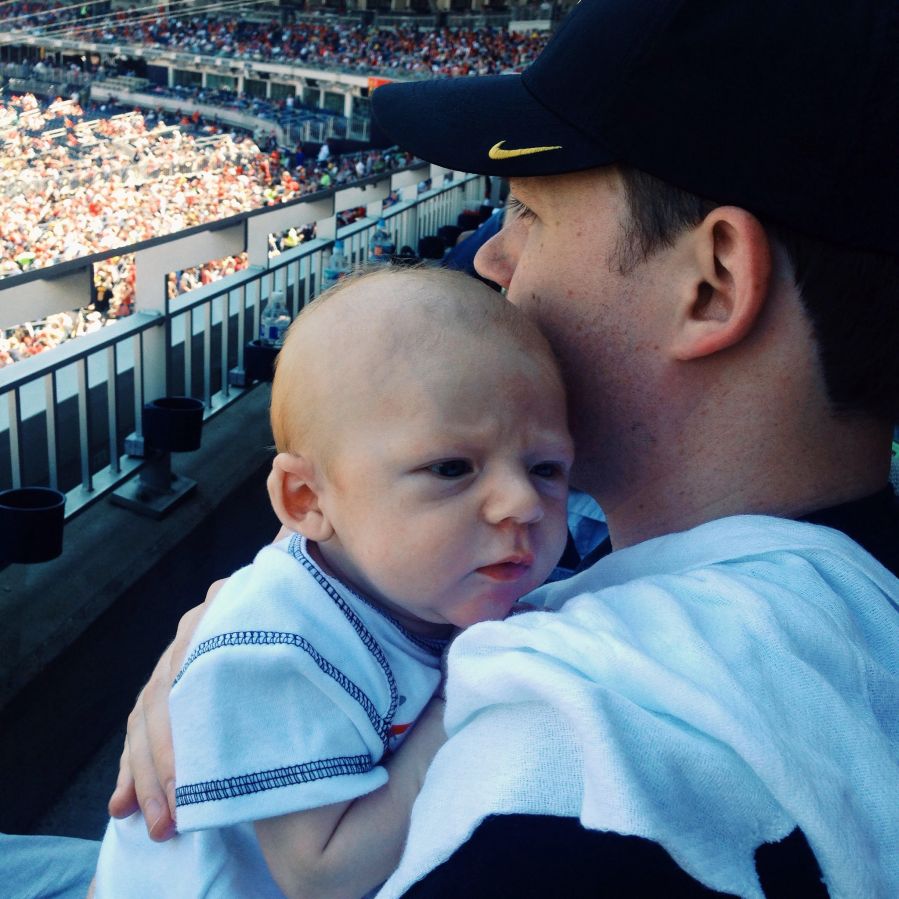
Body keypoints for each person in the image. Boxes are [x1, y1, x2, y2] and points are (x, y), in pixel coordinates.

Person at [109, 0, 899, 896]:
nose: (490, 257)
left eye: (526, 209)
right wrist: (259, 623)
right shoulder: (851, 599)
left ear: (711, 282)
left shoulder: (567, 802)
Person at [90, 266, 572, 898]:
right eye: (452, 467)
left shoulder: (416, 587)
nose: (523, 503)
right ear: (307, 499)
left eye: (547, 468)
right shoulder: (277, 647)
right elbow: (320, 876)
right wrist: (465, 693)